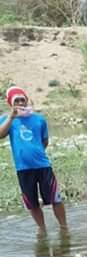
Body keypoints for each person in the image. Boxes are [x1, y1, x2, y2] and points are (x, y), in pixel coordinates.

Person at [0, 86, 67, 234]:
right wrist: (11, 117)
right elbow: (0, 134)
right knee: (32, 203)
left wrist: (36, 153)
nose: (20, 103)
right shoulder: (7, 120)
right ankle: (42, 230)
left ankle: (64, 228)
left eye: (22, 100)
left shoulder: (39, 119)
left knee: (55, 199)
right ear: (10, 103)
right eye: (16, 100)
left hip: (43, 166)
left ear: (26, 100)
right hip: (23, 168)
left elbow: (45, 141)